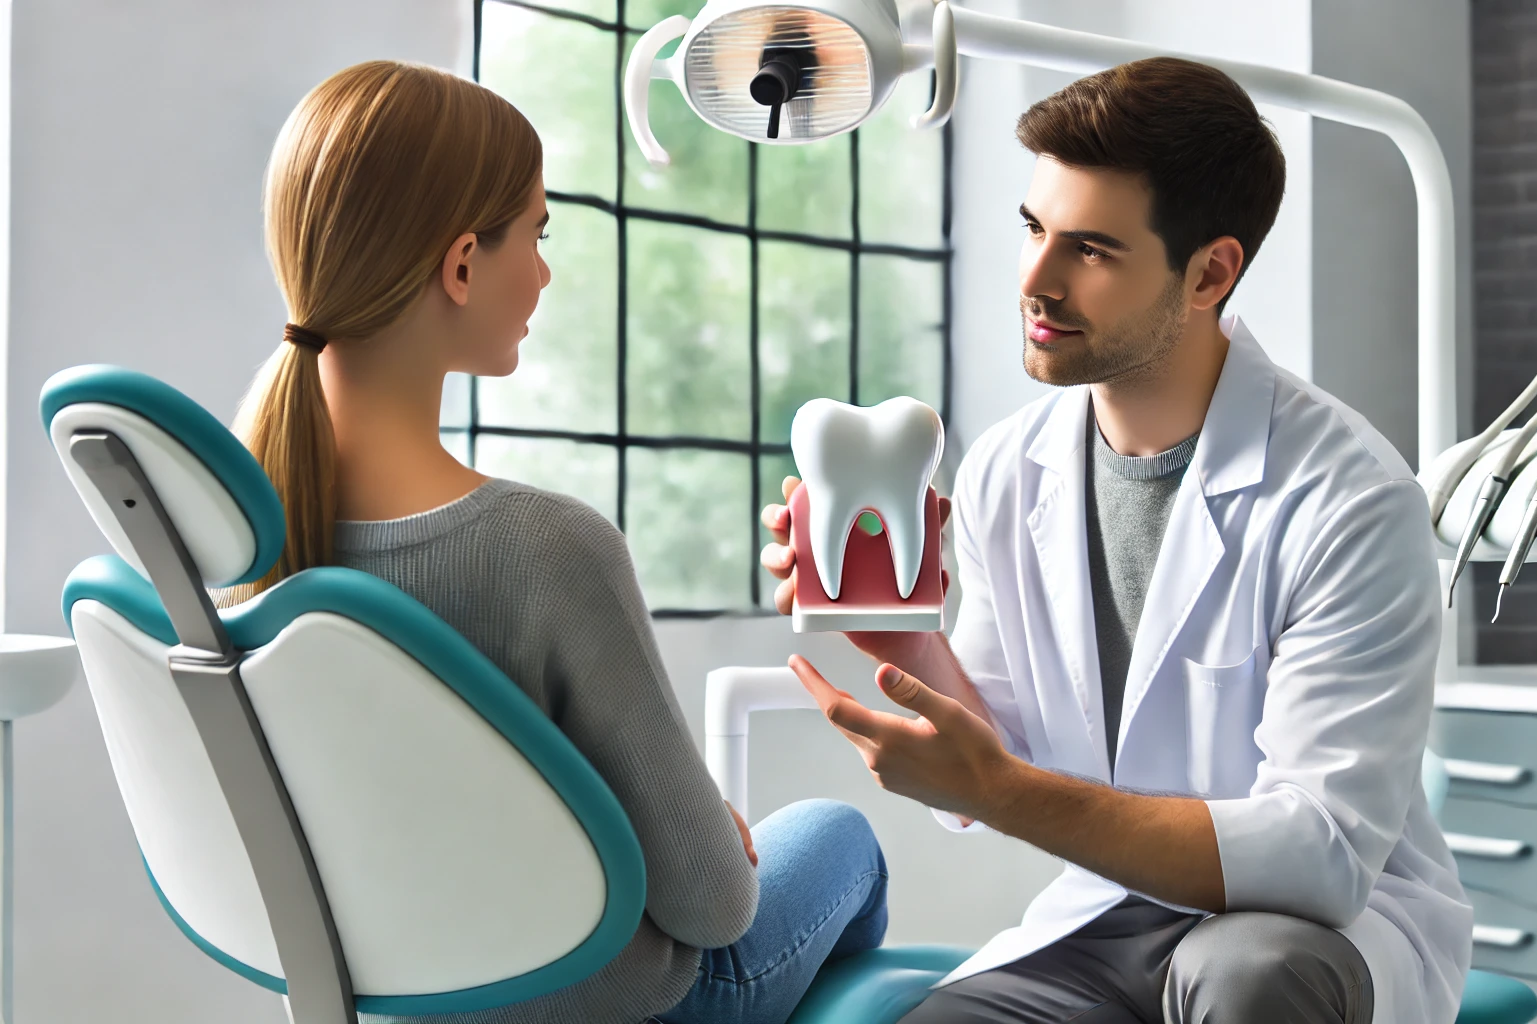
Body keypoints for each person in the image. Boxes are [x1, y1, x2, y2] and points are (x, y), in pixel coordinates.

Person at [761, 57, 1472, 1024]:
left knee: (1255, 979)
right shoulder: (1008, 469)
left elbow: (1322, 858)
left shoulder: (1351, 498)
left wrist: (1005, 790)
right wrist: (901, 638)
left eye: (1090, 250)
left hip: (1305, 929)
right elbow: (994, 757)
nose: (1036, 281)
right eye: (1032, 230)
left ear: (1210, 272)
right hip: (1106, 915)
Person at [229, 60, 888, 1024]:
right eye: (536, 234)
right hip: (626, 1005)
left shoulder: (246, 550)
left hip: (391, 1005)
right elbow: (714, 902)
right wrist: (701, 832)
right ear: (461, 265)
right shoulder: (549, 550)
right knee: (841, 836)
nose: (542, 270)